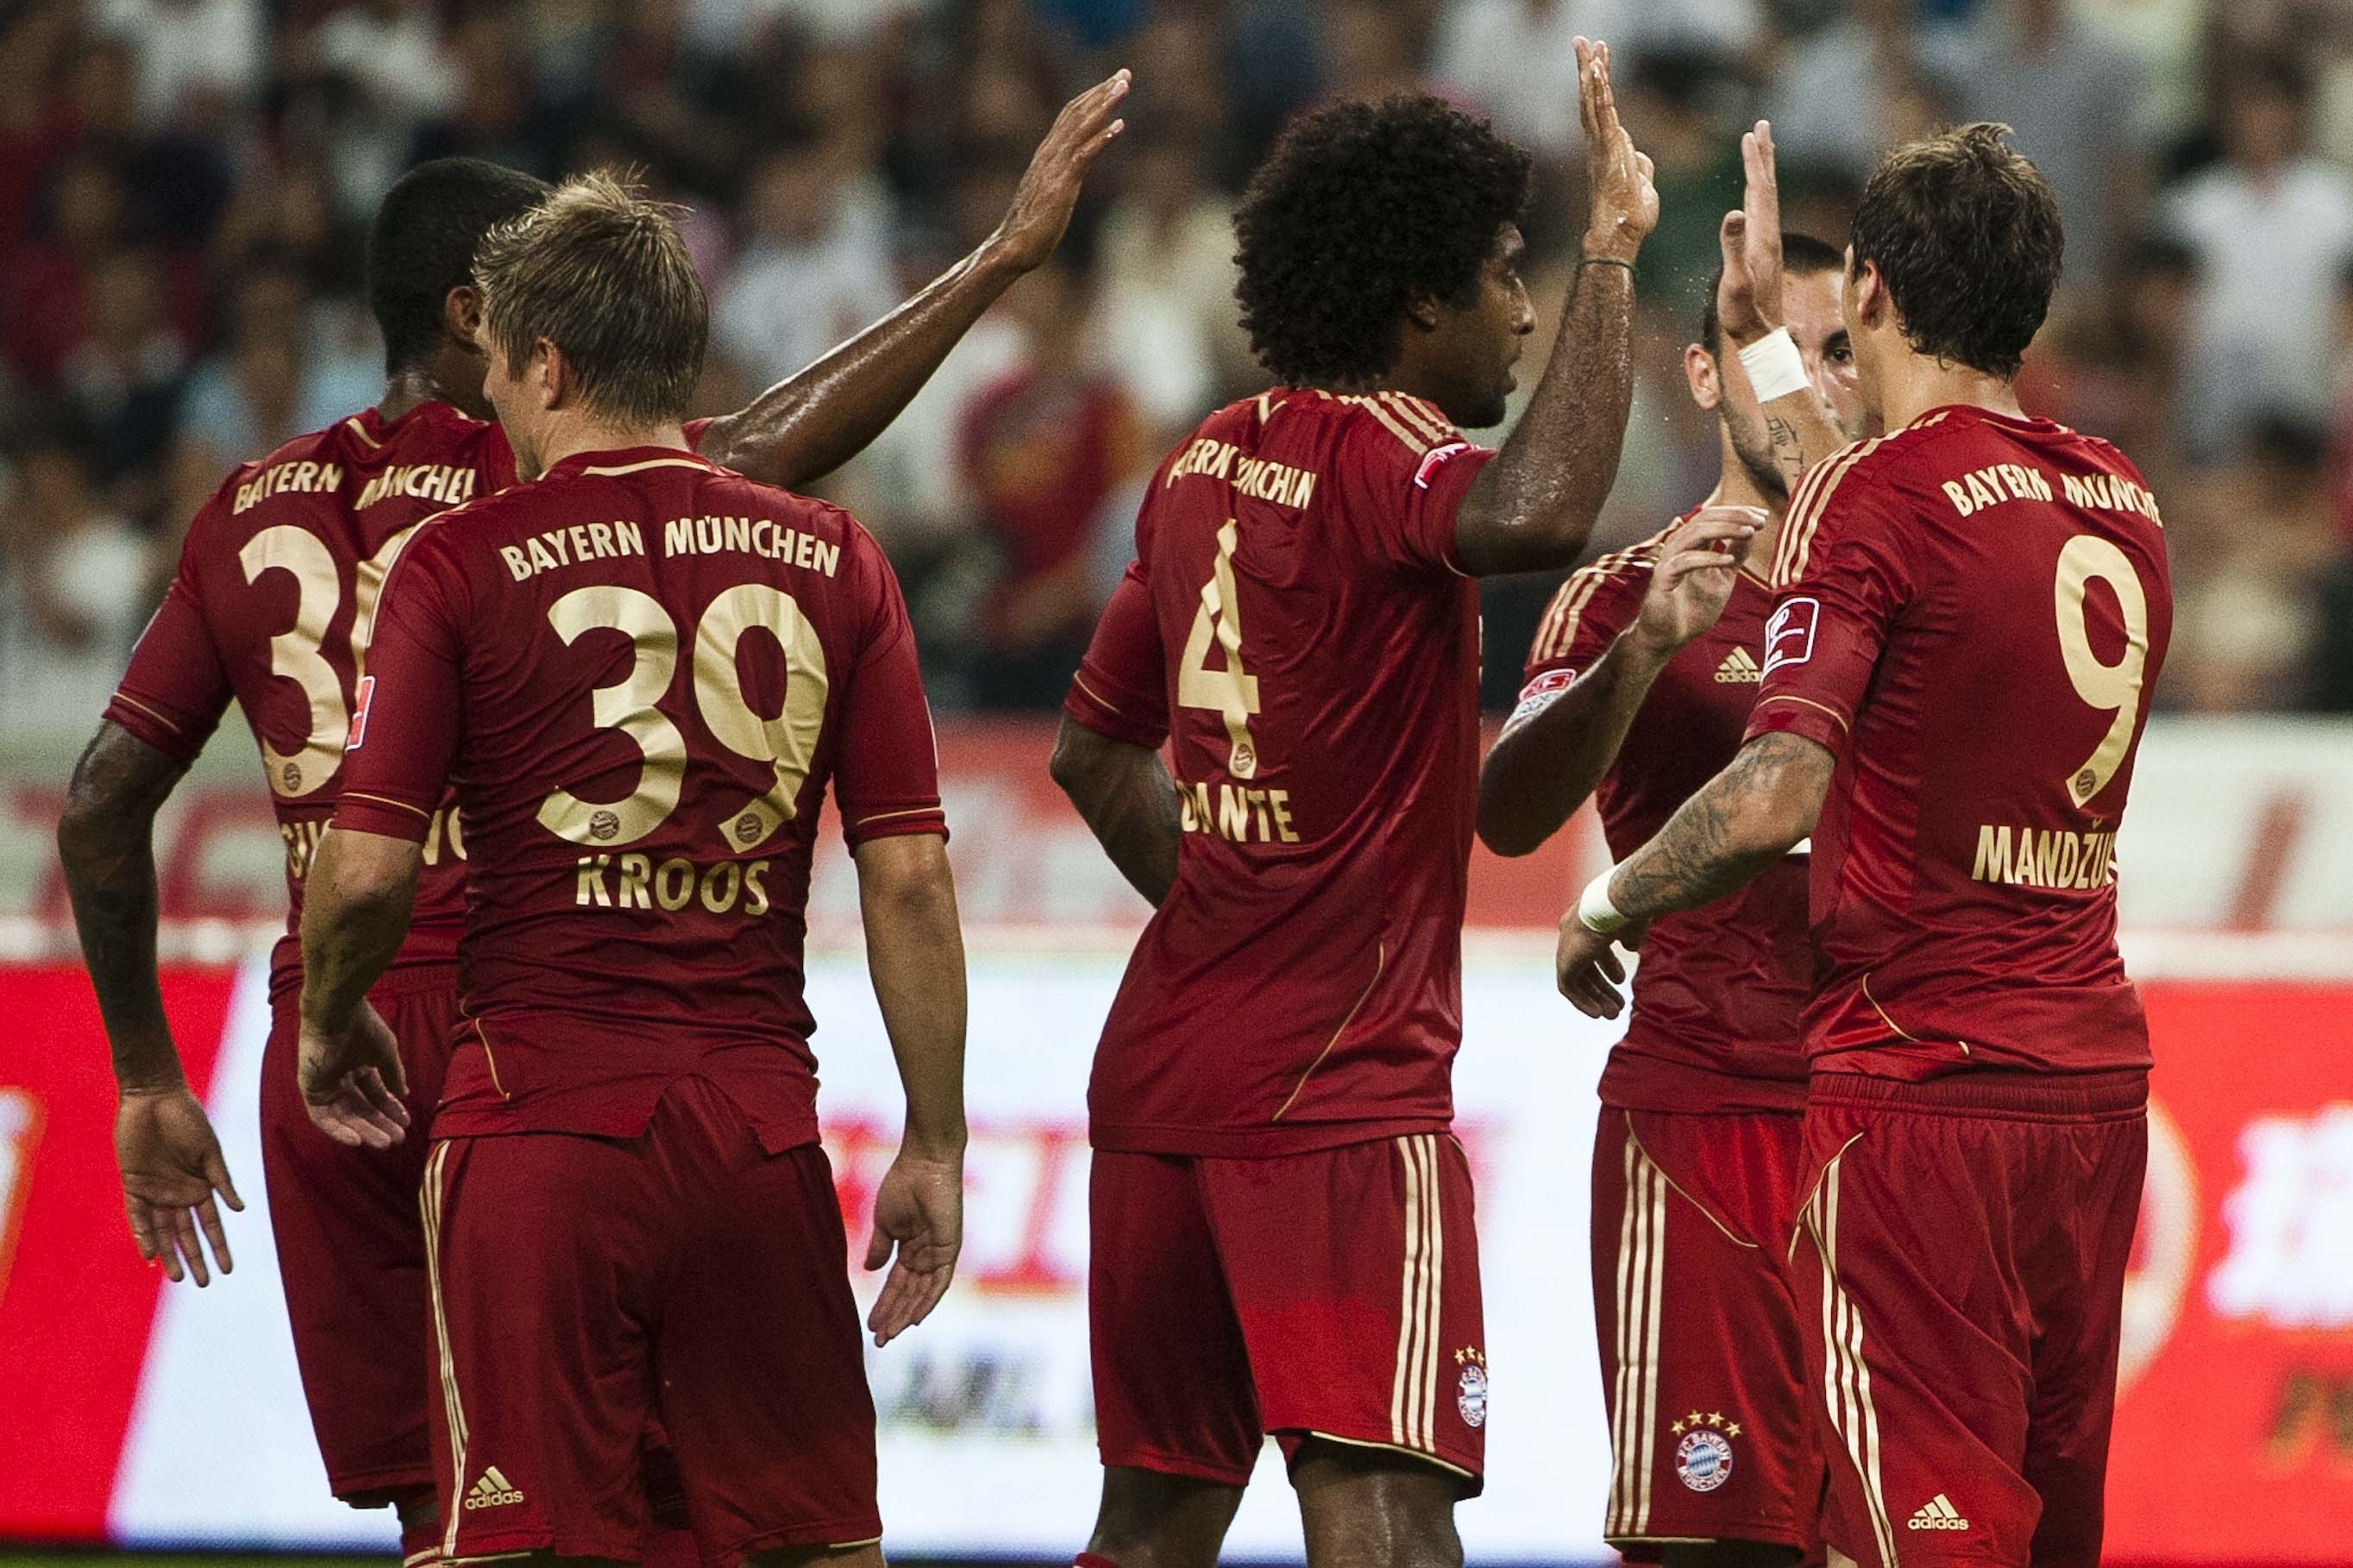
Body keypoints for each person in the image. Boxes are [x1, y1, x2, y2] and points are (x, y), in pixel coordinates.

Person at [53, 72, 1126, 1563]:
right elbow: (745, 457)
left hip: (355, 1017)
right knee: (713, 1498)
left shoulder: (249, 505)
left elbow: (105, 805)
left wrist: (144, 1070)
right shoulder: (543, 485)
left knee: (467, 1509)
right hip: (553, 1010)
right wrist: (999, 261)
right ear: (471, 317)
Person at [1049, 42, 1734, 1568]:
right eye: (1503, 273)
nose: (1525, 305)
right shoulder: (1383, 452)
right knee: (1389, 1519)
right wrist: (1615, 251)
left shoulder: (1199, 464)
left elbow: (1094, 753)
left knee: (1153, 1525)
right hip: (1339, 1099)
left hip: (1161, 1075)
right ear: (1417, 302)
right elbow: (1537, 512)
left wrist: (1235, 901)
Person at [294, 171, 967, 1568]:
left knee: (523, 1547)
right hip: (757, 1134)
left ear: (545, 361)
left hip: (534, 1131)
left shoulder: (458, 563)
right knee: (814, 1544)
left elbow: (362, 878)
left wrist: (325, 1021)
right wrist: (939, 1139)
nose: (490, 405)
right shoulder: (836, 557)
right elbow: (906, 884)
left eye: (495, 375)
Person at [1554, 123, 2172, 1568]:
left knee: (1912, 1542)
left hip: (1921, 1090)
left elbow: (1776, 791)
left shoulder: (1878, 498)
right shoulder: (2118, 498)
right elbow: (1877, 492)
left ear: (1876, 291)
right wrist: (1765, 335)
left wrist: (1608, 898)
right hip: (2093, 1088)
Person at [1479, 123, 1865, 1560]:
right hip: (1701, 1119)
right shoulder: (1620, 594)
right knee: (1706, 1538)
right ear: (1703, 374)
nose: (1813, 383)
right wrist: (1639, 659)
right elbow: (1510, 812)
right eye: (1779, 345)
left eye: (1840, 354)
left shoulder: (1901, 584)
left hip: (1882, 1112)